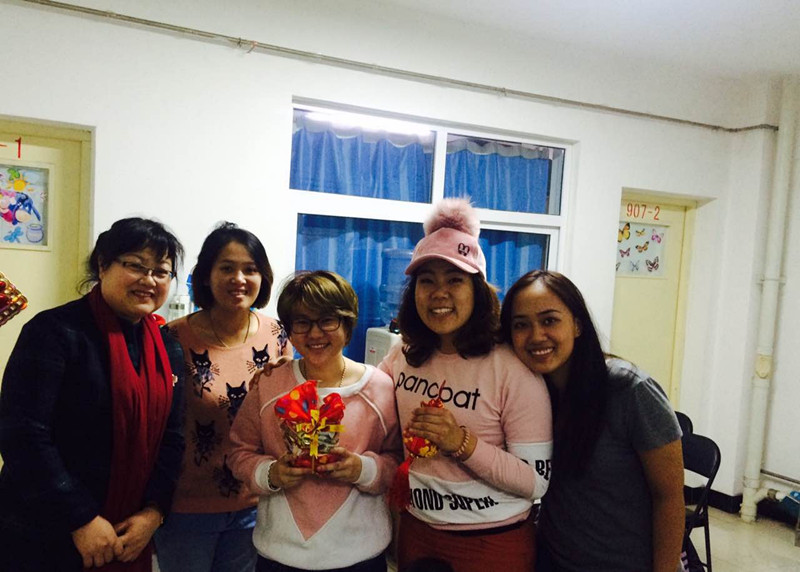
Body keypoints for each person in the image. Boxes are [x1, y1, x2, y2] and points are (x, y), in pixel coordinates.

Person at [0, 217, 186, 572]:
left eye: (161, 272)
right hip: (43, 531)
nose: (149, 280)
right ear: (103, 265)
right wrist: (80, 518)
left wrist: (154, 512)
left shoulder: (168, 349)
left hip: (128, 534)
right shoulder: (54, 332)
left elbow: (173, 439)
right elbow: (22, 435)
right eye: (135, 266)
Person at [378, 198, 553, 572]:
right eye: (427, 281)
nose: (439, 293)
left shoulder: (512, 367)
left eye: (454, 280)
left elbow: (536, 482)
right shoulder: (402, 355)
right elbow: (363, 401)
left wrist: (461, 442)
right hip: (417, 532)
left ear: (478, 290)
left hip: (492, 543)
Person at [499, 270, 685, 572]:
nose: (536, 336)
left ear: (577, 325)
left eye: (549, 320)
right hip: (553, 561)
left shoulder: (629, 389)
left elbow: (669, 496)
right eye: (521, 325)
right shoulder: (529, 393)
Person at [228, 270, 402, 572]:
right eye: (302, 322)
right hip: (279, 554)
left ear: (347, 324)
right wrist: (271, 474)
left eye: (327, 320)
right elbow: (238, 452)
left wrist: (363, 469)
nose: (315, 333)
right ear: (290, 329)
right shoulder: (269, 384)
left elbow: (398, 460)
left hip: (360, 553)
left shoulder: (380, 388)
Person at [154, 222, 292, 572]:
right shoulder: (173, 338)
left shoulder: (277, 334)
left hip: (256, 501)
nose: (239, 279)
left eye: (250, 269)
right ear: (206, 276)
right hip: (187, 506)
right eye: (227, 268)